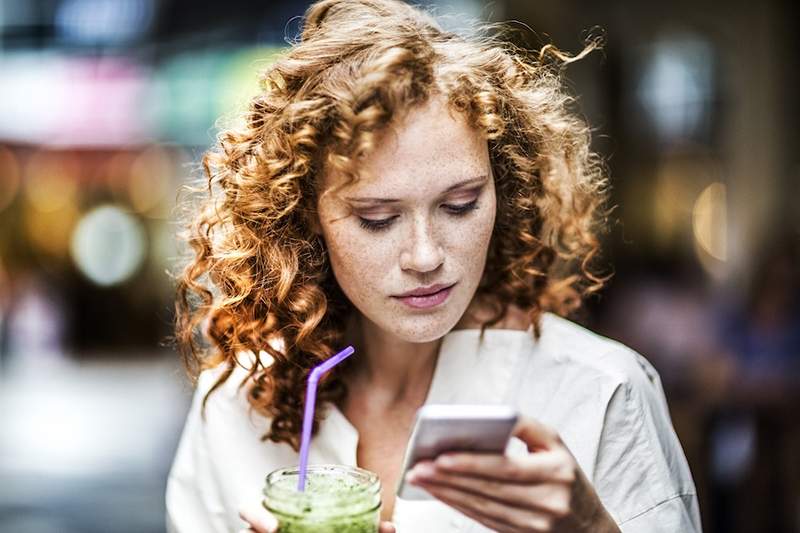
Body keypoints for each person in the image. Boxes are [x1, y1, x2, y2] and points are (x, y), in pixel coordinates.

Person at [166, 0, 702, 531]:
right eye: (377, 218)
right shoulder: (236, 407)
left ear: (504, 190)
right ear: (306, 218)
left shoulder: (599, 393)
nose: (426, 256)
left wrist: (589, 530)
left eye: (460, 204)